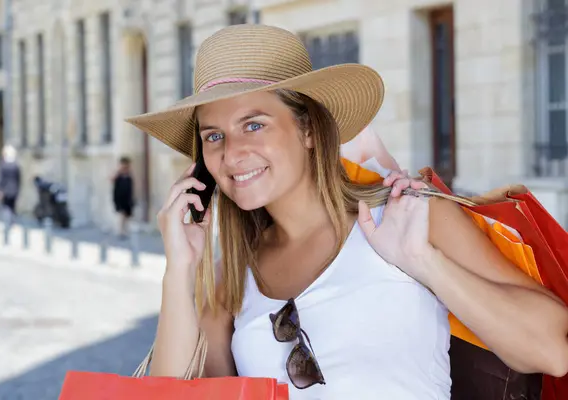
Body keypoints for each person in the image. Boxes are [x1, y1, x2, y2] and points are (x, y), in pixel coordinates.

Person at [125, 25, 568, 399]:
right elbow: (174, 394)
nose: (232, 152)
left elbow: (552, 351)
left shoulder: (407, 216)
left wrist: (422, 262)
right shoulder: (228, 277)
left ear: (310, 130)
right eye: (213, 136)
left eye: (254, 125)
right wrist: (180, 270)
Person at [0, 145, 21, 223]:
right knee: (12, 206)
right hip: (14, 189)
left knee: (6, 206)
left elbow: (1, 179)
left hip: (5, 189)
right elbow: (18, 178)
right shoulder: (16, 165)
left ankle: (8, 222)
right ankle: (13, 221)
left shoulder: (3, 165)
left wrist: (0, 189)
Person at [112, 156, 135, 238]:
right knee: (121, 214)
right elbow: (112, 179)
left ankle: (125, 231)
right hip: (119, 198)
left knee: (127, 215)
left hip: (127, 198)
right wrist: (119, 171)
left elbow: (131, 188)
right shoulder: (118, 175)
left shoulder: (129, 176)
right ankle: (120, 231)